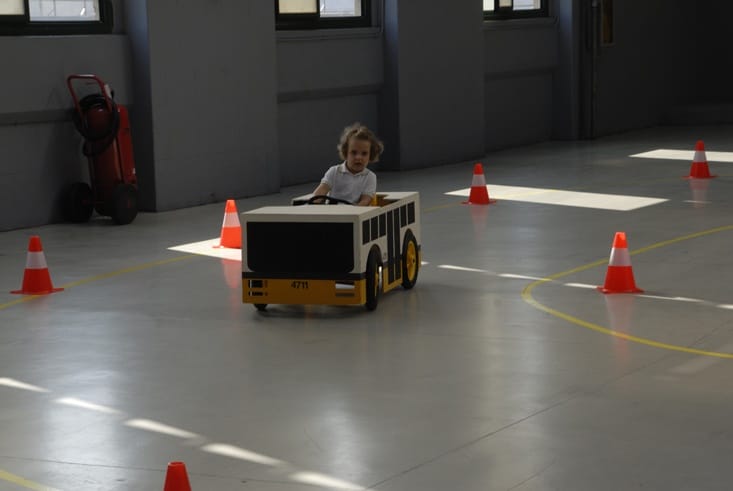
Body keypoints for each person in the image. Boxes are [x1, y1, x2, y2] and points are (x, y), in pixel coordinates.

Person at [312, 122, 384, 206]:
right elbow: (319, 193)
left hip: (354, 215)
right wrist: (311, 207)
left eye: (364, 154)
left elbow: (365, 201)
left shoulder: (370, 177)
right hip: (332, 215)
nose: (358, 157)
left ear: (370, 155)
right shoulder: (334, 171)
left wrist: (351, 214)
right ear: (346, 153)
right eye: (354, 152)